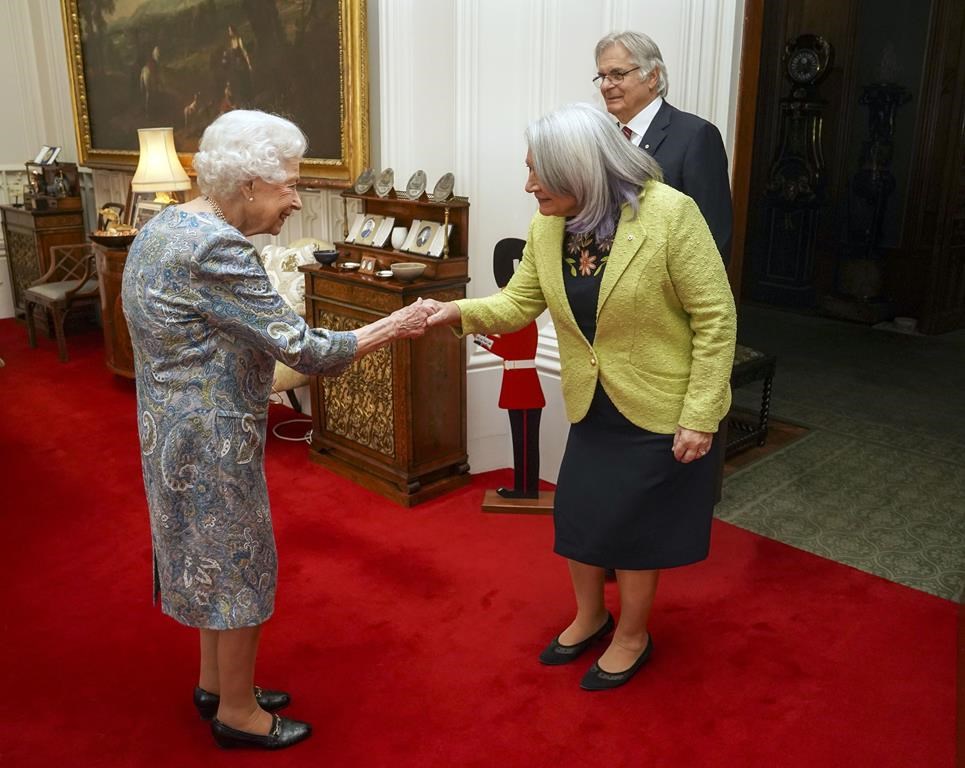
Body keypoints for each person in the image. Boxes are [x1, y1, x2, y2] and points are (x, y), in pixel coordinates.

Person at [121, 110, 432, 749]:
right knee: (238, 565)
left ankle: (217, 684)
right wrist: (389, 326)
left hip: (169, 428)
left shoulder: (168, 223)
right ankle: (238, 713)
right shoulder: (218, 247)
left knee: (209, 559)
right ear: (250, 185)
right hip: (211, 440)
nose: (296, 198)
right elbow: (305, 348)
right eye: (290, 184)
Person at [424, 104, 736, 690]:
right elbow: (518, 303)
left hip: (660, 406)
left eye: (537, 171)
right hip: (594, 402)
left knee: (636, 529)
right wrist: (452, 311)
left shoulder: (670, 214)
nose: (528, 184)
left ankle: (633, 635)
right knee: (581, 516)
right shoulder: (550, 225)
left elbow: (716, 318)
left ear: (581, 169)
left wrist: (700, 414)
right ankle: (591, 615)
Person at [594, 31, 733, 263]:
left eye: (617, 75)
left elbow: (713, 233)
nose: (607, 85)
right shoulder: (606, 139)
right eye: (602, 76)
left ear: (652, 76)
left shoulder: (696, 135)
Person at [474, 238, 545, 499]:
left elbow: (508, 349)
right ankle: (524, 487)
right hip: (518, 382)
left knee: (525, 442)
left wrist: (481, 337)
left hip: (522, 384)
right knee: (521, 442)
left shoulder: (521, 317)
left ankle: (526, 489)